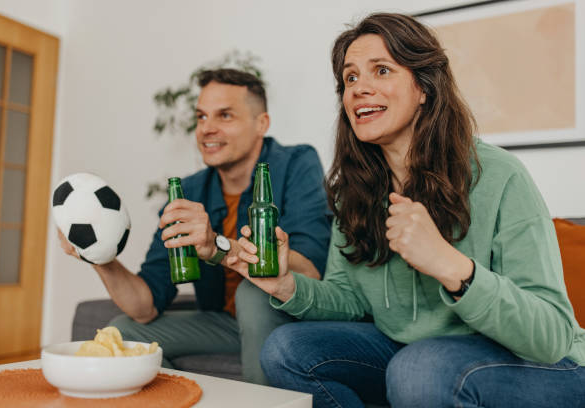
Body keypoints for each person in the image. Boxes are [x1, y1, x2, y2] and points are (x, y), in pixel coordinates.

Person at [229, 13, 585, 407]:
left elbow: (551, 334)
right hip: (414, 355)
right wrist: (285, 285)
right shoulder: (356, 192)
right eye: (349, 78)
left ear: (424, 89)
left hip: (548, 365)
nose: (359, 88)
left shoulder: (500, 175)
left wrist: (453, 268)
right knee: (286, 349)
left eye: (381, 70)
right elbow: (348, 298)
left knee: (418, 366)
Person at [58, 68, 331, 385]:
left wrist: (217, 245)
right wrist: (99, 257)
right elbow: (145, 306)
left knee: (253, 293)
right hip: (225, 325)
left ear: (262, 124)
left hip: (288, 320)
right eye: (201, 117)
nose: (207, 129)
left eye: (224, 116)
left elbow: (311, 270)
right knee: (124, 330)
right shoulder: (187, 192)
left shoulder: (296, 164)